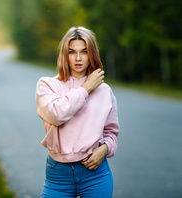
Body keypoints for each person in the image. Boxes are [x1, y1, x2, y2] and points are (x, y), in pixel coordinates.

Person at [35, 26, 120, 198]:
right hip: (58, 176)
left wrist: (104, 148)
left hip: (95, 173)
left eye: (84, 51)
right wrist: (86, 88)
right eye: (72, 52)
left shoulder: (104, 91)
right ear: (65, 54)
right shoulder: (47, 85)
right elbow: (56, 115)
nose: (78, 58)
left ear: (92, 54)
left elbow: (111, 132)